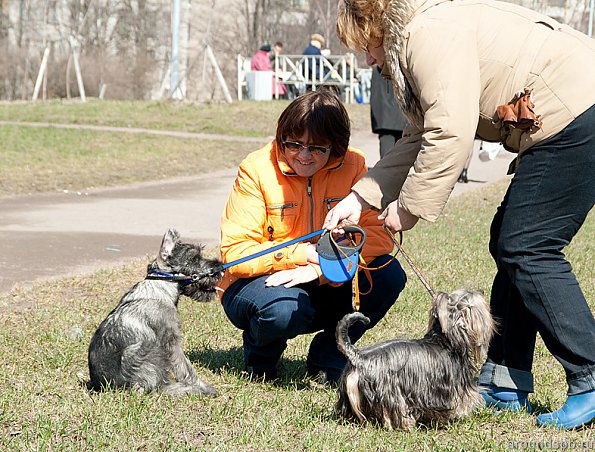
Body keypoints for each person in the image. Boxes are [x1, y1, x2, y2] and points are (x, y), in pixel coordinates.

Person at [324, 0, 595, 429]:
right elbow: (422, 135)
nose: (366, 58)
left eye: (365, 47)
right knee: (510, 239)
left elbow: (451, 131)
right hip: (569, 110)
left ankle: (590, 375)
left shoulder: (425, 35)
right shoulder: (416, 36)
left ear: (375, 24)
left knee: (527, 244)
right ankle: (506, 379)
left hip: (576, 109)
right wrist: (362, 198)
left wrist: (409, 207)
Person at [219, 89, 406, 383]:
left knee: (388, 274)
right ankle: (261, 358)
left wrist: (320, 268)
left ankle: (330, 356)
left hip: (324, 276)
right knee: (282, 310)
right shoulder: (256, 169)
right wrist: (303, 255)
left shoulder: (354, 165)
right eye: (294, 144)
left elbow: (378, 237)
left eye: (317, 148)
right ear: (282, 137)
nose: (304, 156)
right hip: (259, 284)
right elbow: (235, 252)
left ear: (336, 147)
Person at [370, 64, 407, 158]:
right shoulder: (404, 64)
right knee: (402, 155)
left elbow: (375, 95)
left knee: (386, 156)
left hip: (384, 116)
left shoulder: (377, 67)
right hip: (402, 115)